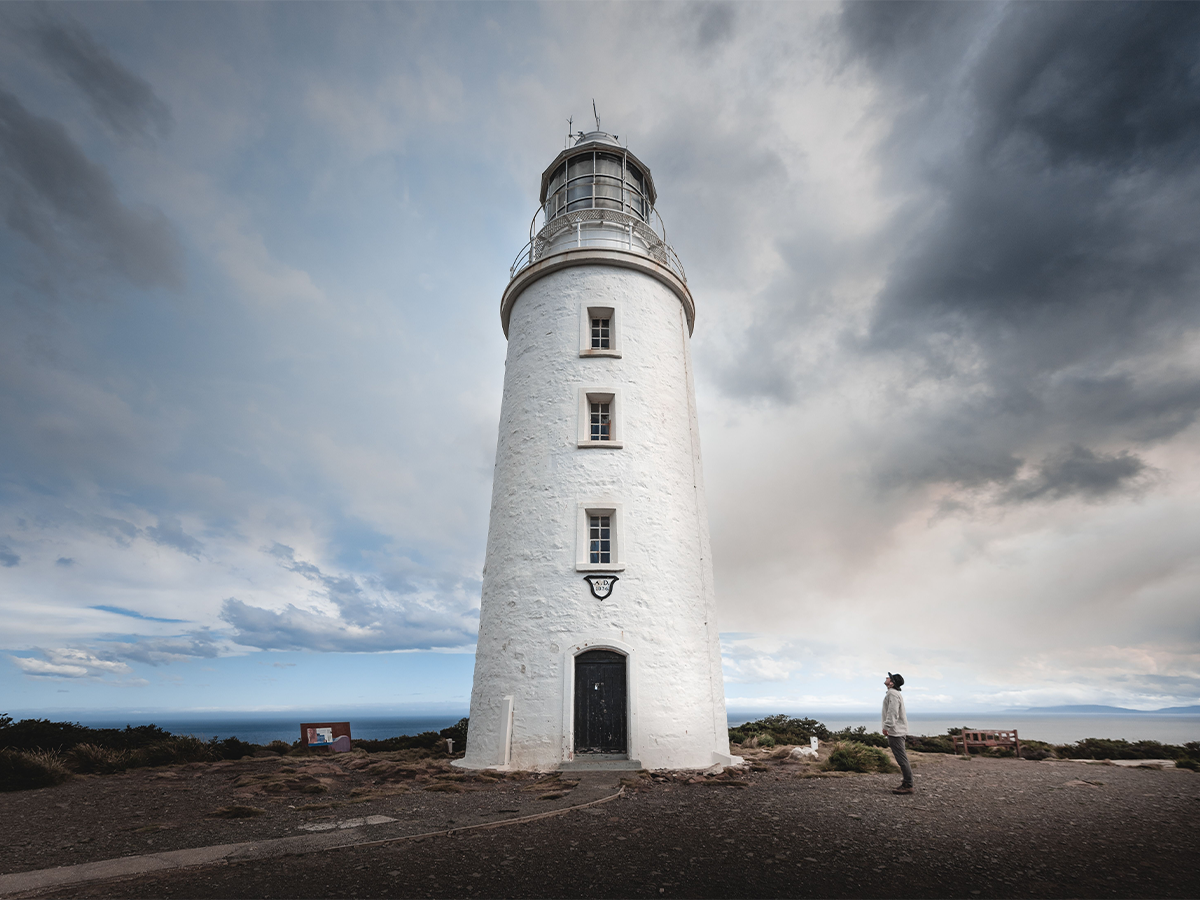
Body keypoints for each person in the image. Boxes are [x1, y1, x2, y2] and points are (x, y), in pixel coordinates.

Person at [882, 672, 913, 794]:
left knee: (901, 759)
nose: (886, 678)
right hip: (897, 730)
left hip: (896, 732)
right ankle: (907, 783)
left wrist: (886, 727)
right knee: (902, 758)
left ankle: (908, 785)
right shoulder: (894, 694)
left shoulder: (892, 694)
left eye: (889, 677)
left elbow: (892, 713)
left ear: (892, 683)